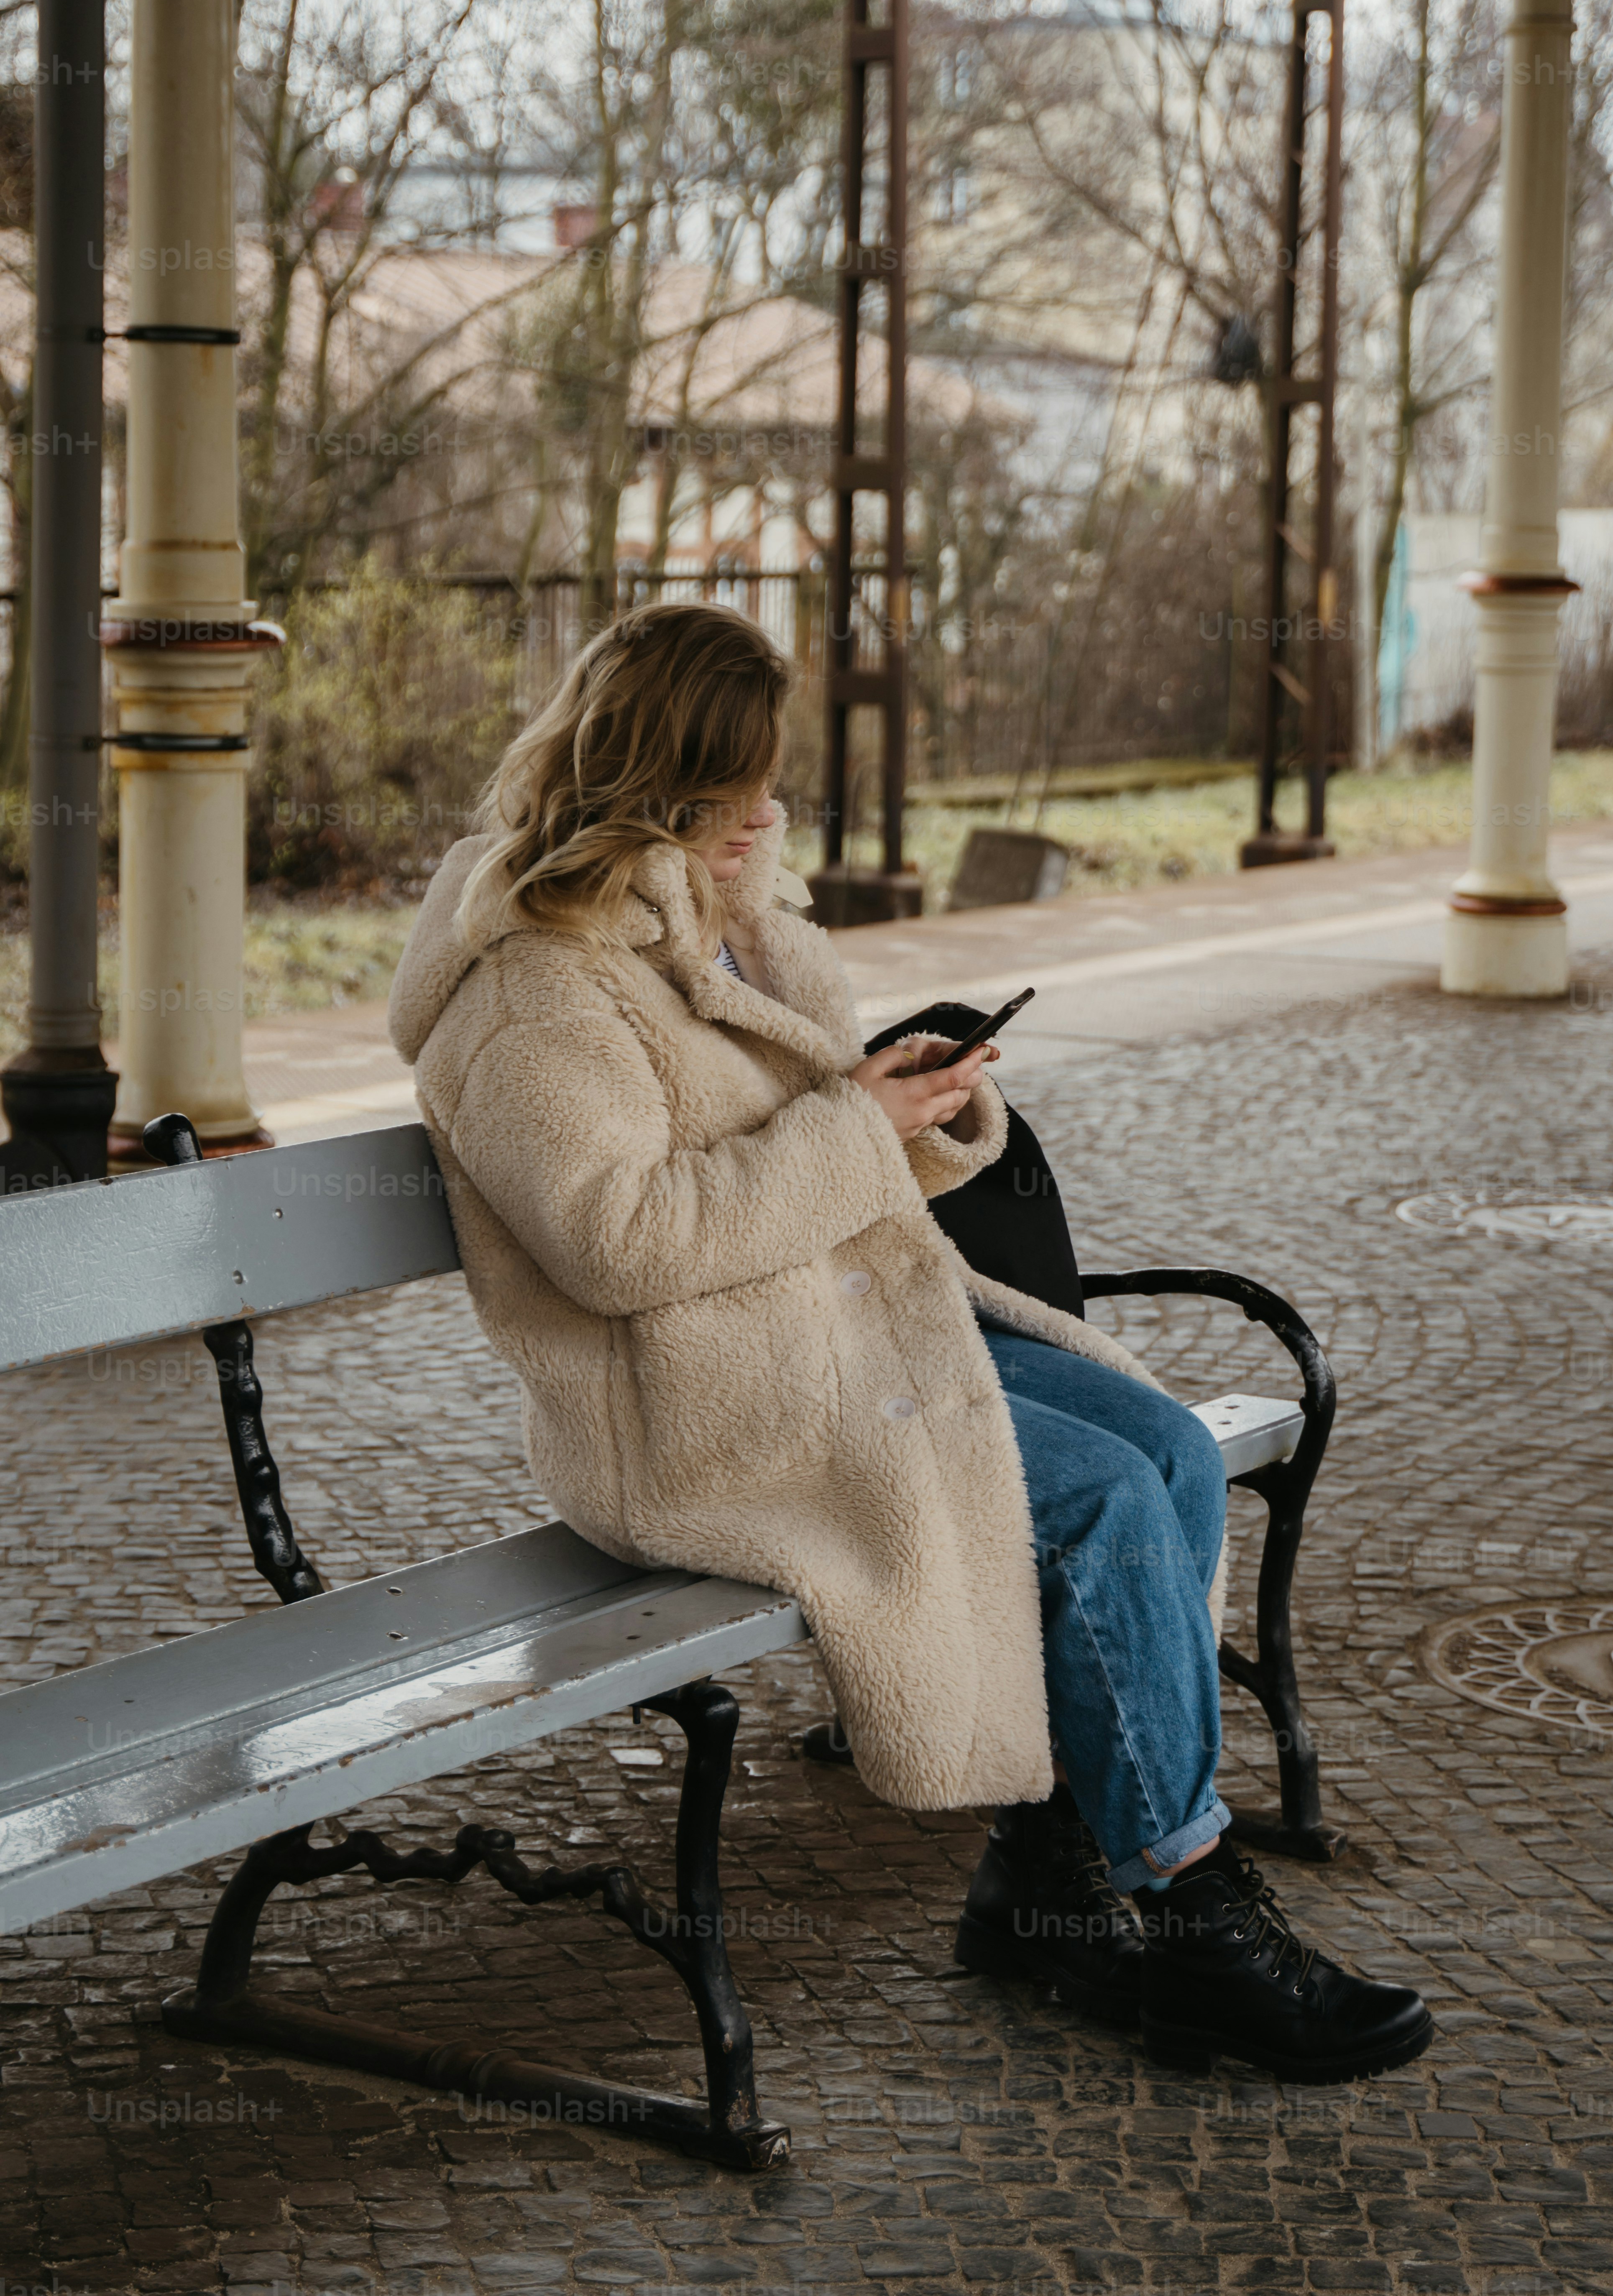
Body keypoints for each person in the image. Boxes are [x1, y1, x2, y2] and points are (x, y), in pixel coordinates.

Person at [388, 601, 1431, 2084]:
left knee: (1170, 1448)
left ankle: (1042, 1877)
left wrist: (900, 1102)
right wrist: (846, 1124)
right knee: (1097, 1498)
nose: (765, 810)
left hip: (828, 1332)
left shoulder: (695, 928)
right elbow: (621, 1247)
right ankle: (1193, 1916)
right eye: (737, 783)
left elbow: (809, 1160)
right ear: (657, 781)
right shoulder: (532, 988)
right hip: (699, 1409)